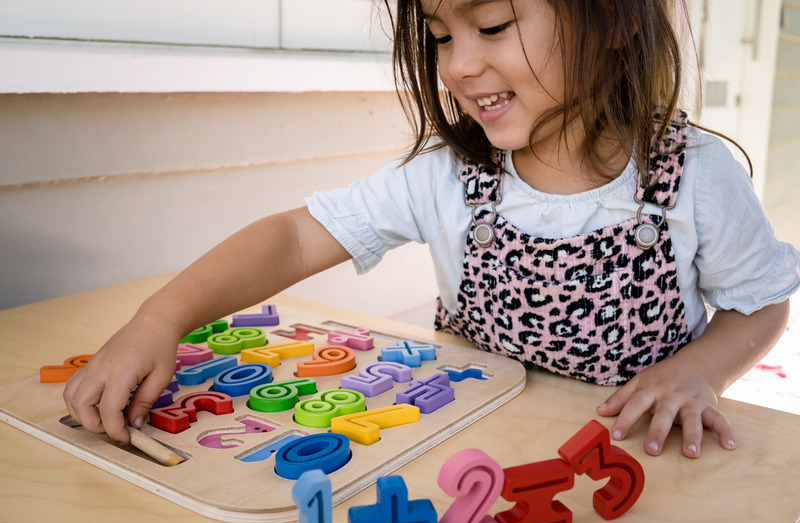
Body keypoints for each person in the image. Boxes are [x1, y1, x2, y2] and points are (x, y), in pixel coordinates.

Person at [64, 0, 799, 459]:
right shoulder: (446, 175)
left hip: (638, 463)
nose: (458, 64)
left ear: (609, 18)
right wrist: (159, 318)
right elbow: (293, 236)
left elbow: (760, 300)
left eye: (490, 25)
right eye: (440, 34)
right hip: (471, 458)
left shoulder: (695, 175)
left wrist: (702, 369)